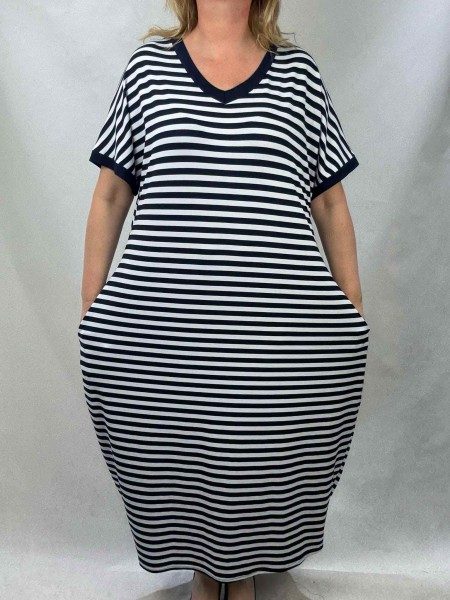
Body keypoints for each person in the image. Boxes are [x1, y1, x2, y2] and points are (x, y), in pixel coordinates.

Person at [77, 1, 370, 599]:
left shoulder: (298, 75)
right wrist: (92, 305)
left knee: (255, 449)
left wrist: (352, 306)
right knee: (183, 446)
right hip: (168, 327)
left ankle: (243, 569)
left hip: (276, 327)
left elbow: (330, 201)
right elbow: (110, 195)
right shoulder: (148, 70)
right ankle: (206, 570)